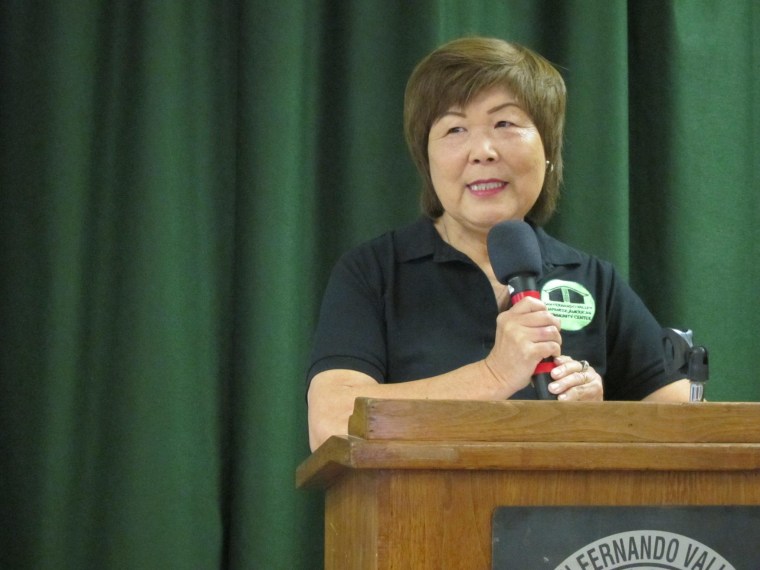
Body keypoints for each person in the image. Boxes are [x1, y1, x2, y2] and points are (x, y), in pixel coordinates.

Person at [306, 37, 689, 451]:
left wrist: (601, 415)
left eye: (505, 124)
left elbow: (687, 424)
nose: (482, 151)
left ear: (548, 150)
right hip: (417, 514)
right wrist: (495, 375)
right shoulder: (374, 272)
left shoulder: (592, 278)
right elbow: (331, 422)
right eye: (455, 129)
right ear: (427, 160)